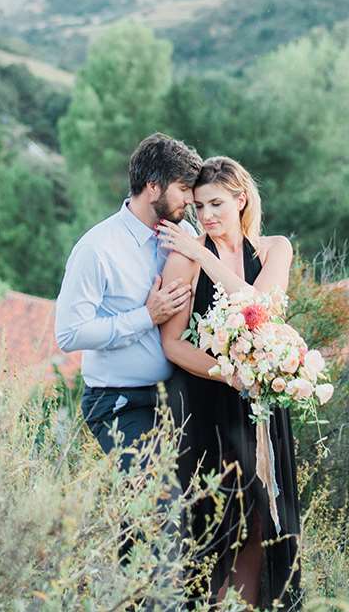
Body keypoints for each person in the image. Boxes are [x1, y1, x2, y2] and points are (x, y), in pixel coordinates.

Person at [156, 156, 301, 608]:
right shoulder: (184, 259)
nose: (206, 216)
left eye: (216, 203)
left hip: (263, 405)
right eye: (198, 207)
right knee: (221, 525)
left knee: (264, 521)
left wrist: (204, 254)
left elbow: (262, 306)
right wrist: (231, 373)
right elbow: (172, 345)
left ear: (241, 199)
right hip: (208, 406)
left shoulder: (275, 248)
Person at [54, 132, 202, 471]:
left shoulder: (186, 237)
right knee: (157, 500)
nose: (190, 199)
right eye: (182, 188)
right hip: (119, 402)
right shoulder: (97, 248)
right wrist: (146, 316)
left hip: (176, 396)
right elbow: (69, 334)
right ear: (153, 186)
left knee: (200, 501)